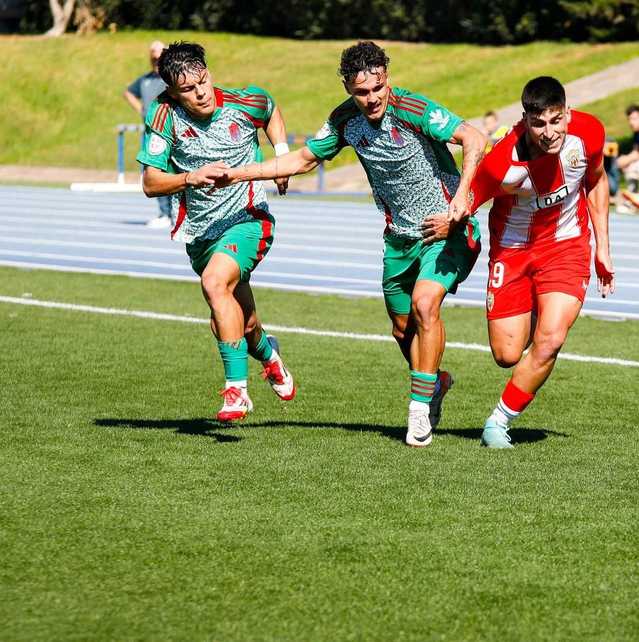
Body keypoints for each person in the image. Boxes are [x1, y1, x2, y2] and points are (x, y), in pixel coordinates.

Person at [207, 41, 487, 448]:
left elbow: (475, 138)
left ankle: (418, 410)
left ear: (386, 78)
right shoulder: (344, 120)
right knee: (402, 328)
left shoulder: (413, 109)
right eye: (361, 92)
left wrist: (462, 199)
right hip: (399, 239)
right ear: (348, 89)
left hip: (446, 230)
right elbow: (302, 160)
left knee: (426, 305)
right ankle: (436, 381)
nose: (371, 99)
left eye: (377, 89)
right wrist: (239, 174)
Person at [137, 41, 296, 423]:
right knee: (241, 322)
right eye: (189, 89)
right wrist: (190, 177)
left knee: (213, 284)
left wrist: (283, 155)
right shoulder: (163, 116)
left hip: (248, 220)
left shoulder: (243, 102)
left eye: (204, 81)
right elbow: (150, 182)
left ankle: (236, 392)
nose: (202, 92)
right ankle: (270, 356)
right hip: (201, 233)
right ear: (172, 93)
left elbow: (270, 109)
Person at [466, 76, 615, 449]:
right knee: (507, 354)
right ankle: (533, 305)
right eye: (539, 124)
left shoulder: (590, 134)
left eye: (556, 120)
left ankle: (498, 422)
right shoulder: (502, 165)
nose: (549, 132)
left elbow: (596, 180)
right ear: (525, 120)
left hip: (567, 244)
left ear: (567, 112)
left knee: (550, 340)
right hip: (512, 250)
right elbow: (466, 202)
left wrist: (603, 248)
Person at [125, 40, 173, 228]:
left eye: (158, 56)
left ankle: (178, 214)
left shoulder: (170, 78)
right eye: (152, 57)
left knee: (174, 174)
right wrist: (141, 108)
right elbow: (128, 92)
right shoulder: (144, 80)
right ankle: (164, 214)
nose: (155, 61)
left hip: (171, 134)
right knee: (154, 174)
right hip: (151, 135)